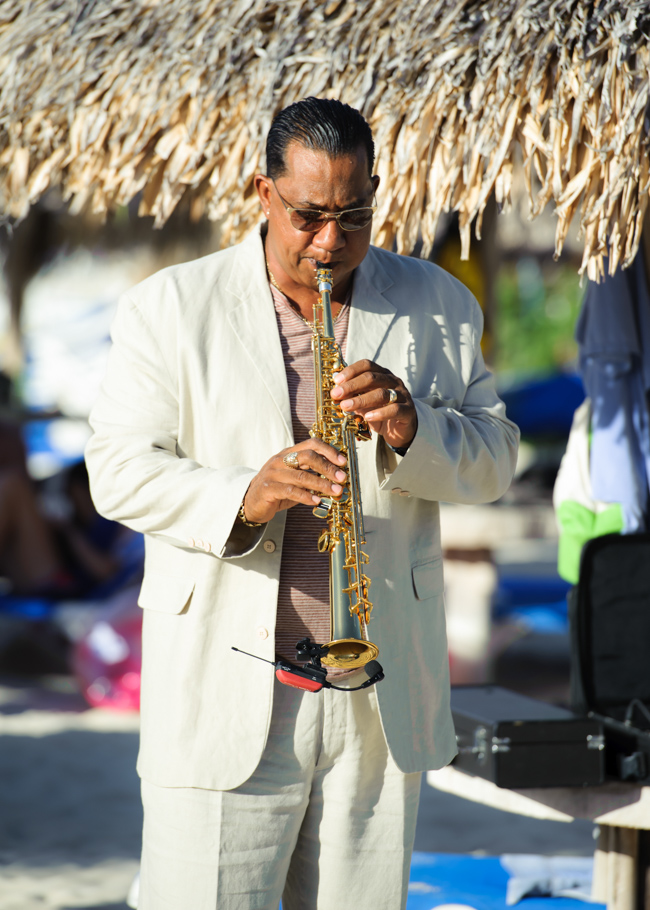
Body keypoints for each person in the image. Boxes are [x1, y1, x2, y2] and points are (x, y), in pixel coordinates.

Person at [85, 97, 519, 910]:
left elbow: (494, 460)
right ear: (262, 193)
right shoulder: (170, 307)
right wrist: (243, 496)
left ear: (378, 195)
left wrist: (412, 428)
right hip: (227, 685)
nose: (330, 243)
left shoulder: (439, 303)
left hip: (376, 699)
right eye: (309, 215)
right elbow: (115, 469)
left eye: (354, 217)